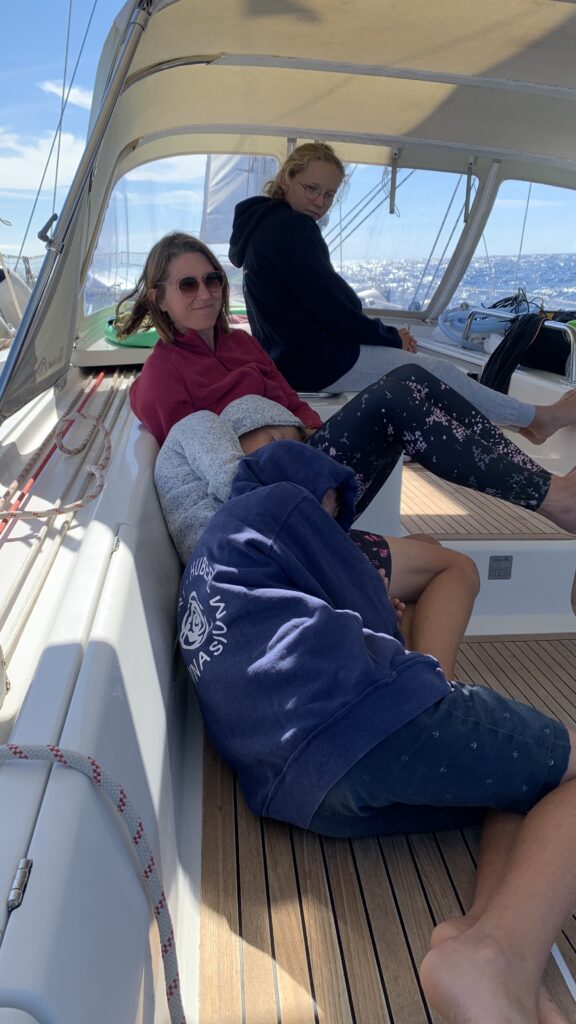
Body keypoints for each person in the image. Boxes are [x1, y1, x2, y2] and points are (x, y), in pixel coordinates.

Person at [178, 439, 576, 1024]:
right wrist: (388, 614)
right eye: (337, 509)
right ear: (317, 487)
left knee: (513, 785)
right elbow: (369, 606)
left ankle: (487, 945)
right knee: (569, 770)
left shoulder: (213, 557)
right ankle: (496, 956)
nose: (340, 525)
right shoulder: (283, 502)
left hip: (302, 793)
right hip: (358, 719)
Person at [124, 232, 576, 534]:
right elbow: (195, 462)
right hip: (273, 502)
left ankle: (546, 488)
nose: (205, 293)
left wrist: (318, 438)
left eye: (213, 279)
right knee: (399, 391)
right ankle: (551, 494)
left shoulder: (241, 344)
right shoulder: (162, 375)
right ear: (158, 297)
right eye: (187, 285)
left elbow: (293, 404)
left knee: (411, 382)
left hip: (309, 460)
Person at [228, 141, 576, 445]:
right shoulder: (292, 228)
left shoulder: (262, 226)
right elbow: (335, 309)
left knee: (425, 374)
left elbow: (324, 305)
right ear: (287, 179)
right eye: (311, 189)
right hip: (317, 362)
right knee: (437, 373)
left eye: (329, 194)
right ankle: (536, 419)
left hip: (291, 358)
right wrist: (391, 337)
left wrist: (385, 336)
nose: (320, 201)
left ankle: (521, 422)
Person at [155, 393, 480, 677]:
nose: (282, 457)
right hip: (278, 560)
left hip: (270, 560)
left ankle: (414, 673)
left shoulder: (205, 480)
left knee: (425, 548)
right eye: (275, 440)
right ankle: (438, 691)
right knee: (456, 568)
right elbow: (238, 487)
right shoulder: (202, 424)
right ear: (244, 425)